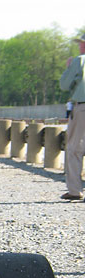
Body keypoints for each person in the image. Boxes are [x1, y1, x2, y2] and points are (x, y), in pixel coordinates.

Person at [59, 32, 85, 201]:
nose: (79, 46)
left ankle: (75, 190)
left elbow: (64, 85)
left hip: (82, 108)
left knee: (75, 149)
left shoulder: (79, 60)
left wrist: (69, 68)